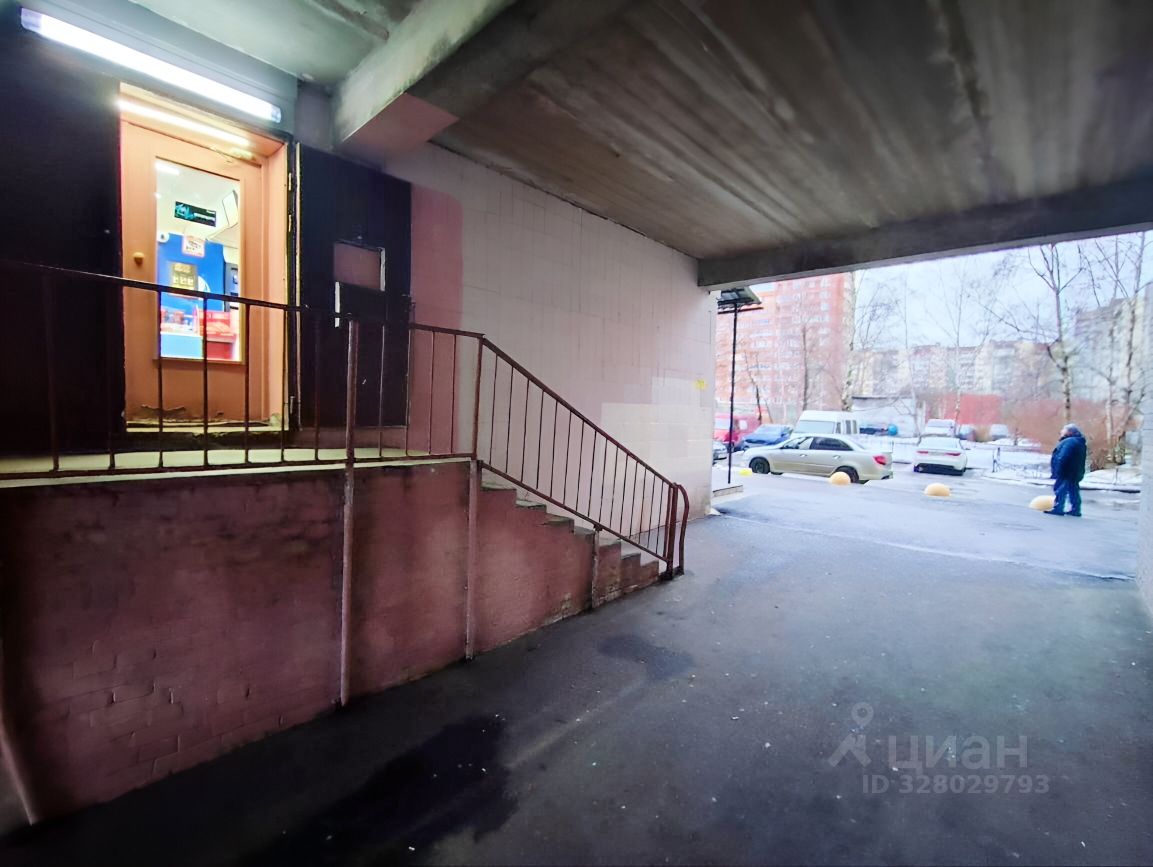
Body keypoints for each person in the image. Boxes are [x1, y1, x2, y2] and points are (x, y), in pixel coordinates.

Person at [1045, 423, 1087, 517]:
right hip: (1074, 471)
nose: (1061, 431)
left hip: (1066, 471)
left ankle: (1058, 508)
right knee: (1073, 490)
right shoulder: (1078, 441)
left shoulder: (1069, 442)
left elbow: (1063, 457)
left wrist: (1058, 470)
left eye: (1063, 430)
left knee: (1061, 489)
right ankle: (1076, 509)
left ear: (1069, 432)